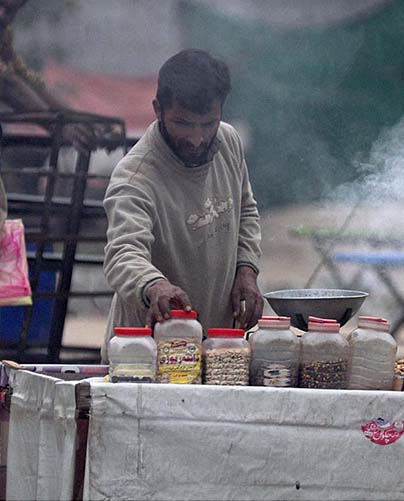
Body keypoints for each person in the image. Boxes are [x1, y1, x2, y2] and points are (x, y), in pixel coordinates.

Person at [102, 49, 262, 360]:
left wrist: (247, 270)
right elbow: (123, 254)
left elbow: (246, 212)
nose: (197, 138)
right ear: (158, 109)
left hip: (215, 350)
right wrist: (154, 286)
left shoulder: (228, 142)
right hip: (143, 358)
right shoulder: (135, 177)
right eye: (183, 123)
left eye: (208, 123)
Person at [0, 0, 105, 154]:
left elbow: (26, 79)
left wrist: (81, 120)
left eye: (10, 11)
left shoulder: (3, 35)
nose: (1, 15)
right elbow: (8, 83)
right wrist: (57, 126)